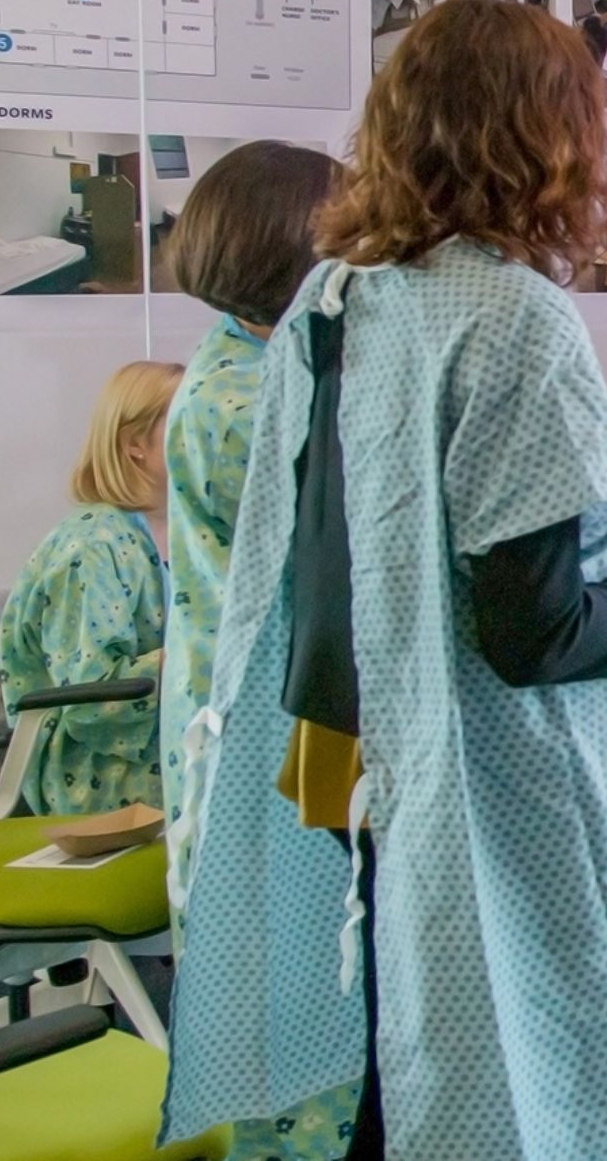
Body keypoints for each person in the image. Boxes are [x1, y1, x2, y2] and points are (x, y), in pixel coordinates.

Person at [159, 0, 607, 1161]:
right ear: (549, 139)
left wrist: (601, 494)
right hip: (488, 781)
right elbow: (532, 631)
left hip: (351, 747)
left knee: (402, 1048)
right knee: (516, 1068)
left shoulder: (336, 299)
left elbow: (388, 522)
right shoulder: (512, 318)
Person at [158, 140, 355, 1159]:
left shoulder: (252, 358)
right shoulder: (250, 402)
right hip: (257, 728)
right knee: (294, 1019)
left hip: (255, 703)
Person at [0, 360, 181, 817]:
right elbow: (91, 701)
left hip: (168, 733)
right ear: (135, 443)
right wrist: (201, 656)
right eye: (190, 420)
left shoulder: (189, 531)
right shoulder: (92, 548)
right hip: (91, 766)